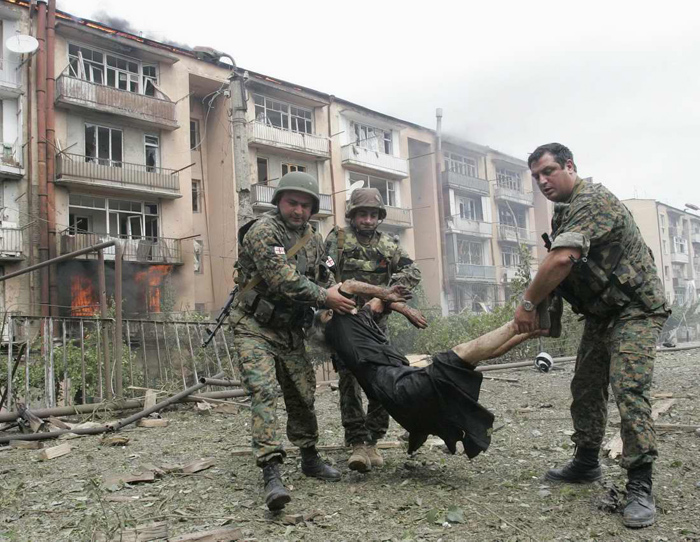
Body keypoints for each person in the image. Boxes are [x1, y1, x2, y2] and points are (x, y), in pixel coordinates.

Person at [515, 143, 669, 529]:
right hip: (602, 312)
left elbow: (563, 258)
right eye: (536, 177)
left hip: (636, 308)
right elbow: (567, 271)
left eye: (549, 171)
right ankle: (586, 461)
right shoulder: (563, 213)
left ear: (570, 165)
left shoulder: (593, 201)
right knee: (585, 384)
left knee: (628, 388)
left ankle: (640, 484)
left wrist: (529, 304)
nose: (542, 181)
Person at [232, 171, 356, 512]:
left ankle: (309, 456)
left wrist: (340, 294)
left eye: (305, 205)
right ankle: (271, 470)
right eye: (292, 203)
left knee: (302, 393)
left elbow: (325, 276)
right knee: (264, 390)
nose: (299, 210)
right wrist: (326, 298)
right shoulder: (263, 231)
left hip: (290, 330)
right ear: (279, 202)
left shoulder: (313, 239)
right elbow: (281, 279)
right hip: (254, 325)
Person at [309, 279, 544, 458]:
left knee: (467, 361)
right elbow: (350, 285)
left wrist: (403, 307)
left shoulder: (360, 320)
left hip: (401, 386)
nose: (353, 302)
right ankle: (517, 324)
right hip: (396, 385)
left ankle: (533, 330)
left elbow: (378, 302)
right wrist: (387, 293)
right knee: (459, 354)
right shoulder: (338, 326)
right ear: (330, 312)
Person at [325, 188, 421, 472]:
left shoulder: (389, 244)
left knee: (382, 377)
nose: (367, 220)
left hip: (377, 325)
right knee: (348, 381)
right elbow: (323, 272)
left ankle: (374, 440)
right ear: (352, 215)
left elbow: (412, 272)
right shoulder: (338, 239)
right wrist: (334, 299)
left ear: (379, 217)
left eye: (372, 215)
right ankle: (356, 441)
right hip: (345, 322)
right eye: (361, 214)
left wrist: (384, 297)